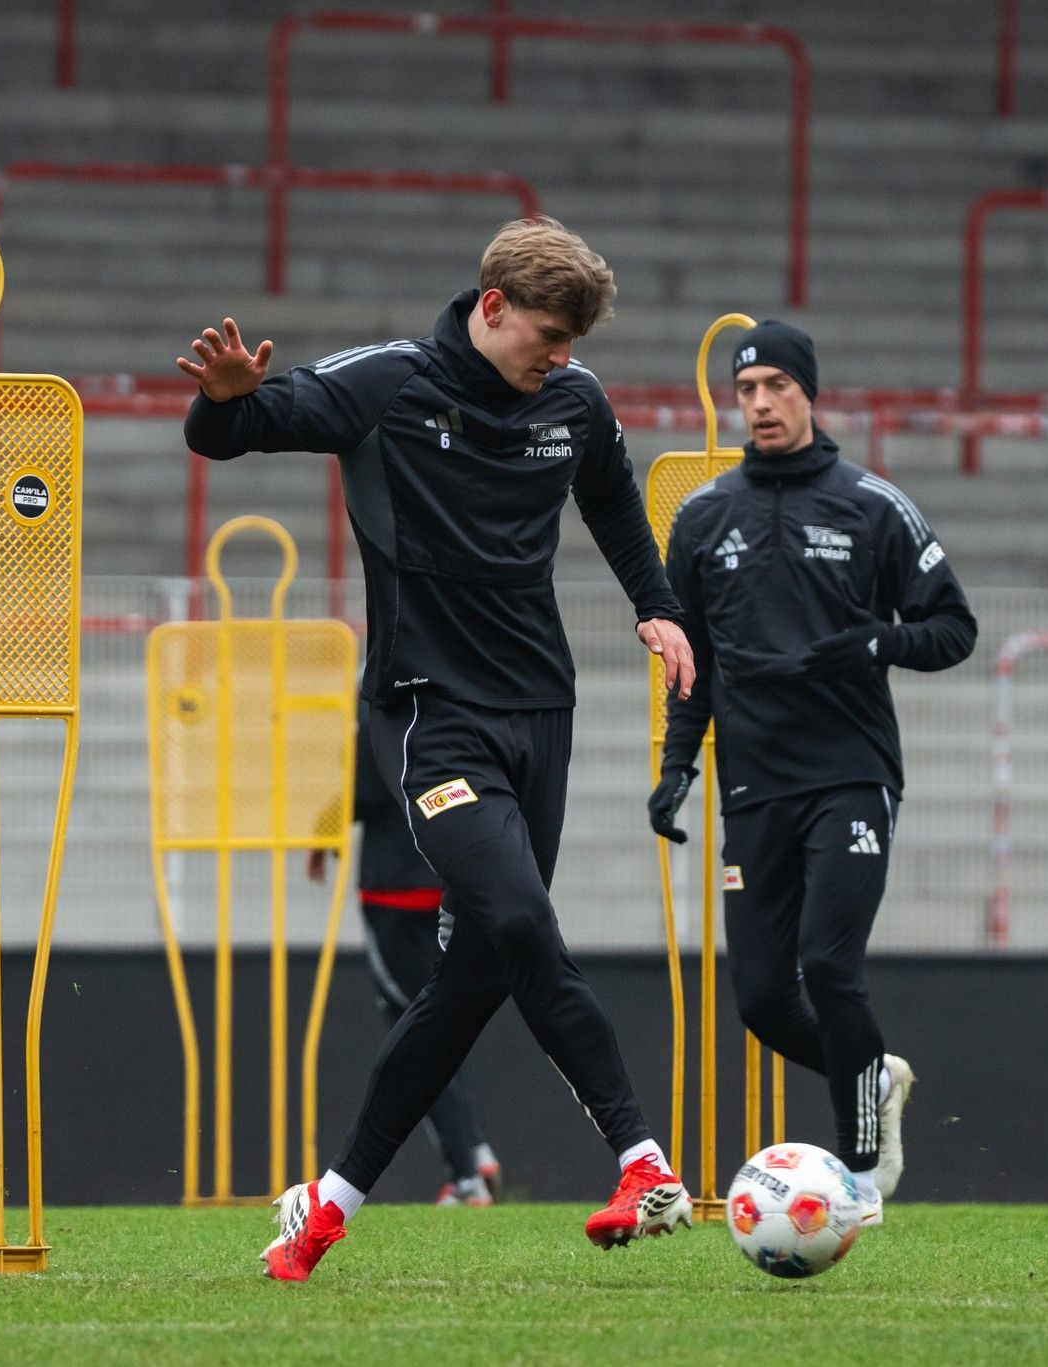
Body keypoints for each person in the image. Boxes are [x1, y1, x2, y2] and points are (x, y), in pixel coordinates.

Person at [179, 217, 698, 1282]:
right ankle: (644, 1158)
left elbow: (610, 494)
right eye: (547, 335)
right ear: (492, 305)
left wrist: (656, 606)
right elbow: (231, 432)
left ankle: (324, 1204)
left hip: (540, 714)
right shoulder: (387, 383)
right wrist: (224, 393)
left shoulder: (576, 401)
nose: (560, 356)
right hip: (430, 710)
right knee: (514, 917)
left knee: (472, 977)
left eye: (573, 342)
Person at [648, 320, 976, 1225]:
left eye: (777, 387)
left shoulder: (873, 504)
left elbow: (954, 628)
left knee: (829, 966)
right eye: (747, 389)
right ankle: (873, 1074)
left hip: (850, 776)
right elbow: (693, 663)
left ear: (808, 395)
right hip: (755, 786)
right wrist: (679, 766)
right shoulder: (704, 518)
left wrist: (877, 638)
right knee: (761, 998)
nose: (760, 403)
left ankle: (862, 1174)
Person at [306, 701, 502, 1207]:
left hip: (391, 887)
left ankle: (466, 1175)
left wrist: (323, 824)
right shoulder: (447, 691)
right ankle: (475, 1148)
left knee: (415, 1029)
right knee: (443, 1016)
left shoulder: (378, 697)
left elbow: (367, 788)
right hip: (444, 878)